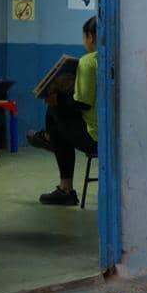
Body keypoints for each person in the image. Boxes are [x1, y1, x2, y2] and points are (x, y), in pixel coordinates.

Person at [26, 16, 98, 206]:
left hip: (94, 138)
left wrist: (57, 99)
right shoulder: (115, 58)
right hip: (116, 137)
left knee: (54, 111)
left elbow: (82, 104)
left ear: (90, 37)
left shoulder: (88, 62)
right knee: (59, 129)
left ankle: (65, 188)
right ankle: (51, 139)